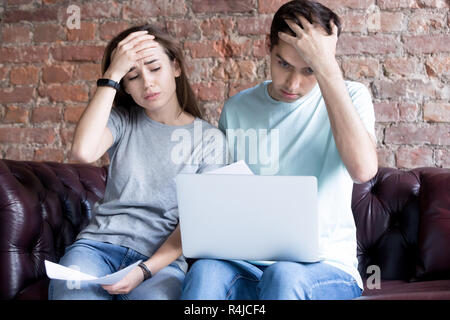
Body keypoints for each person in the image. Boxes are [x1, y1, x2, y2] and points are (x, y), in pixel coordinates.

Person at [181, 0, 378, 300]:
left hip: (325, 266)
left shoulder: (350, 95)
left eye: (309, 70)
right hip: (248, 262)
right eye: (283, 63)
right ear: (268, 48)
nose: (293, 84)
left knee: (283, 276)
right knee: (205, 272)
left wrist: (327, 69)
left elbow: (363, 170)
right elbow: (223, 195)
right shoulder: (238, 109)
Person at [48, 24, 228, 300]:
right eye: (132, 76)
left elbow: (197, 221)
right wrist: (111, 75)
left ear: (176, 68)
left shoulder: (210, 140)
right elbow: (83, 153)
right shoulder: (122, 121)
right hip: (97, 248)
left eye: (155, 69)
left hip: (160, 264)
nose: (147, 83)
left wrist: (144, 270)